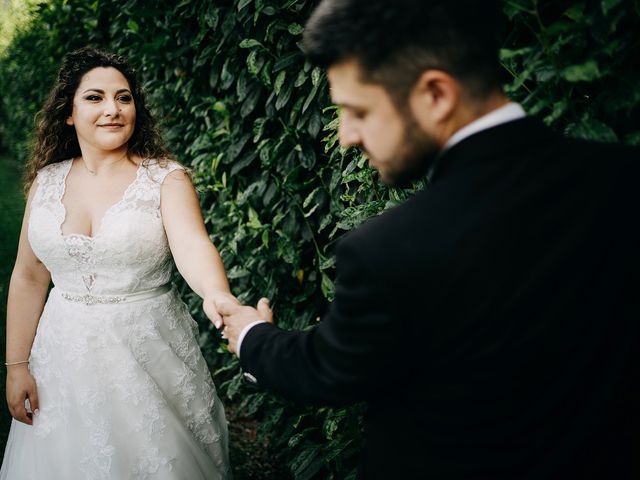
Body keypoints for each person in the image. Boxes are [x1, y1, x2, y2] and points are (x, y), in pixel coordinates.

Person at [217, 0, 640, 478]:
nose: (345, 136)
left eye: (357, 111)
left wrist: (252, 335)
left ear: (436, 94)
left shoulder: (386, 251)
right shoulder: (624, 181)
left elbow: (329, 368)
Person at [1, 47, 234, 479]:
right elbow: (30, 275)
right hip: (62, 357)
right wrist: (16, 366)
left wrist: (217, 294)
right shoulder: (46, 183)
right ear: (68, 113)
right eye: (95, 98)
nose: (113, 109)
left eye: (124, 98)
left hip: (148, 349)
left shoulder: (166, 178)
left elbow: (193, 247)